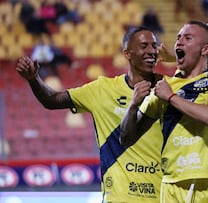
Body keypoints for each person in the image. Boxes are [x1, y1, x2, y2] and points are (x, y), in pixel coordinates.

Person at [16, 26, 163, 203]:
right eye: (144, 45)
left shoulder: (169, 90)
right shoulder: (102, 90)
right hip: (119, 198)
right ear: (127, 53)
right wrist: (34, 79)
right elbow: (52, 100)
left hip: (163, 197)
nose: (151, 51)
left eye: (154, 46)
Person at [119, 21, 208, 203]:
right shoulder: (165, 86)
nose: (179, 42)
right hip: (172, 187)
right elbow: (126, 138)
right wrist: (133, 105)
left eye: (187, 38)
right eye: (178, 38)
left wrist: (172, 97)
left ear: (205, 49)